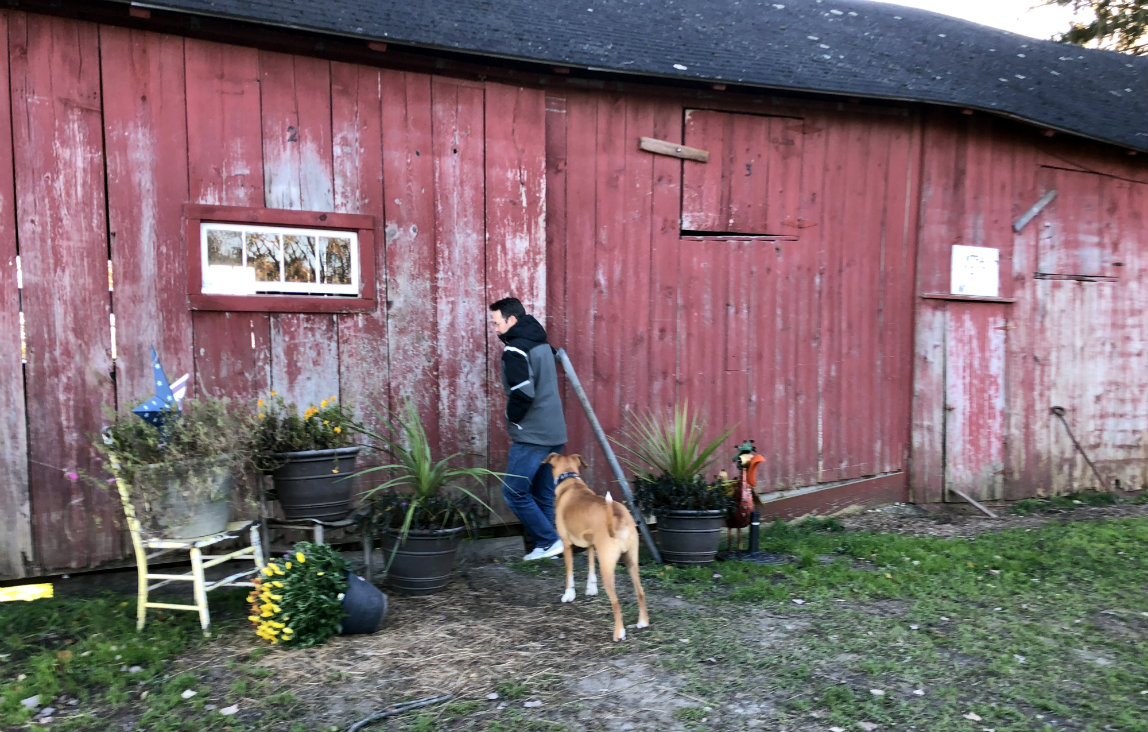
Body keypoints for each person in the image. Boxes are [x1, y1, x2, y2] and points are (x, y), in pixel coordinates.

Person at [489, 297, 567, 561]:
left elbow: (523, 393)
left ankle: (549, 540)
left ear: (512, 320)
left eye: (498, 323)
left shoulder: (516, 351)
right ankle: (549, 550)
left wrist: (512, 418)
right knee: (542, 492)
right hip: (555, 431)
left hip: (533, 435)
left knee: (513, 491)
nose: (496, 329)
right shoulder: (543, 345)